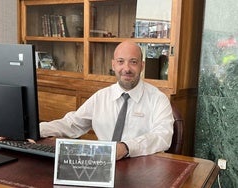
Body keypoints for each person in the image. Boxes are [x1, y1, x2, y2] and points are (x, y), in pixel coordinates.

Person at [40, 40, 174, 160]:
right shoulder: (101, 97)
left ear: (142, 65)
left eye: (133, 62)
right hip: (103, 166)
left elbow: (163, 136)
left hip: (142, 169)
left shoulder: (158, 99)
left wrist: (126, 148)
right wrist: (33, 130)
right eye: (121, 61)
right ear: (113, 65)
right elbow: (72, 124)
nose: (126, 69)